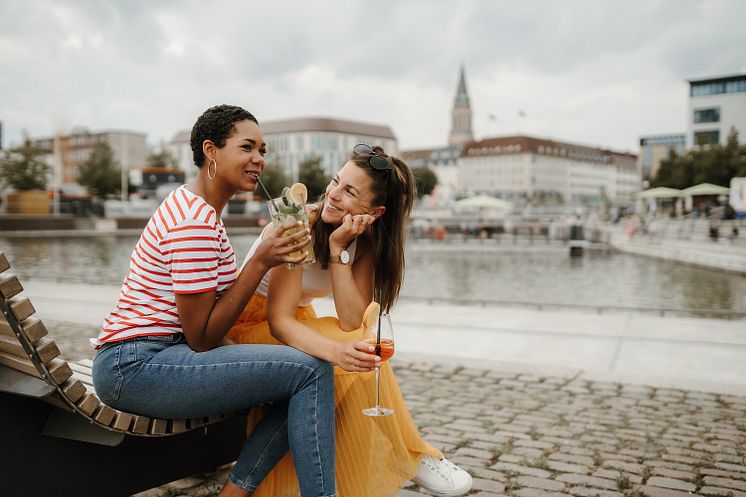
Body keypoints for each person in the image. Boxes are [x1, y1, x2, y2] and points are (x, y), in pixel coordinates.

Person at [91, 105, 337, 497]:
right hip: (137, 365)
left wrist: (254, 359)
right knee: (312, 371)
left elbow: (204, 329)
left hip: (147, 358)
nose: (259, 159)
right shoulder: (195, 223)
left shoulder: (196, 209)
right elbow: (202, 337)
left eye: (263, 149)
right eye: (247, 147)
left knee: (300, 374)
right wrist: (260, 261)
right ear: (211, 150)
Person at [228, 144, 473, 497]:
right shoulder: (296, 224)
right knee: (347, 353)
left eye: (350, 192)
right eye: (336, 182)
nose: (333, 195)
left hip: (292, 322)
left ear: (375, 211)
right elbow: (279, 321)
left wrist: (338, 251)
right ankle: (412, 453)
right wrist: (336, 352)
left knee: (357, 346)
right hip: (248, 327)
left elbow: (351, 320)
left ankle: (407, 455)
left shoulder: (364, 241)